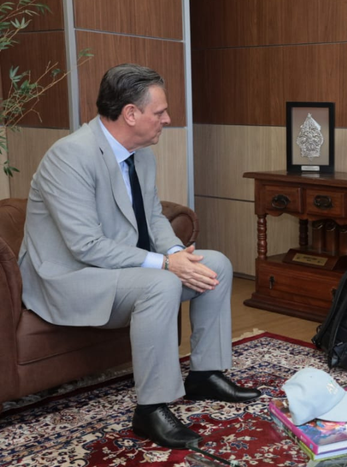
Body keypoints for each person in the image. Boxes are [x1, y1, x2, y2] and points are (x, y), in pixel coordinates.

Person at [18, 64, 261, 449]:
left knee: (215, 264)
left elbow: (153, 217)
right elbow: (85, 246)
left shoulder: (141, 155)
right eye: (159, 112)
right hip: (72, 278)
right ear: (131, 113)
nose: (168, 119)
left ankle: (204, 375)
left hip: (119, 271)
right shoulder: (69, 156)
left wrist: (177, 253)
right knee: (161, 282)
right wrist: (165, 264)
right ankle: (151, 408)